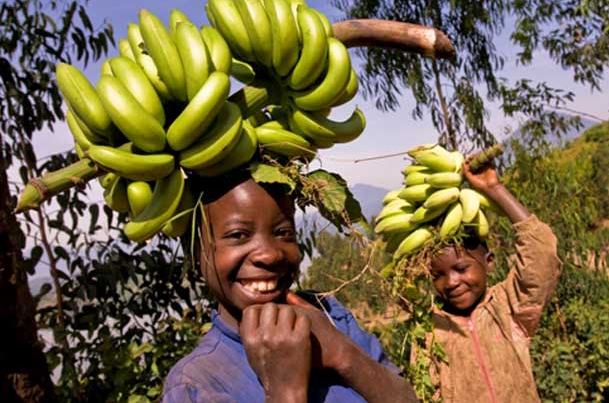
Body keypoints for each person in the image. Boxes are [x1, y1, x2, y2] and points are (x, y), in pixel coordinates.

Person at [162, 171, 418, 403]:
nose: (270, 255)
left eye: (284, 232)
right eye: (238, 235)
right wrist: (285, 390)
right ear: (195, 252)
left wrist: (342, 353)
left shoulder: (329, 315)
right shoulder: (196, 384)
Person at [423, 158, 562, 402]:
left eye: (462, 268)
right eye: (438, 275)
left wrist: (494, 189)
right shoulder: (430, 332)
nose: (452, 282)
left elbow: (542, 256)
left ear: (488, 261)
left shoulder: (508, 307)